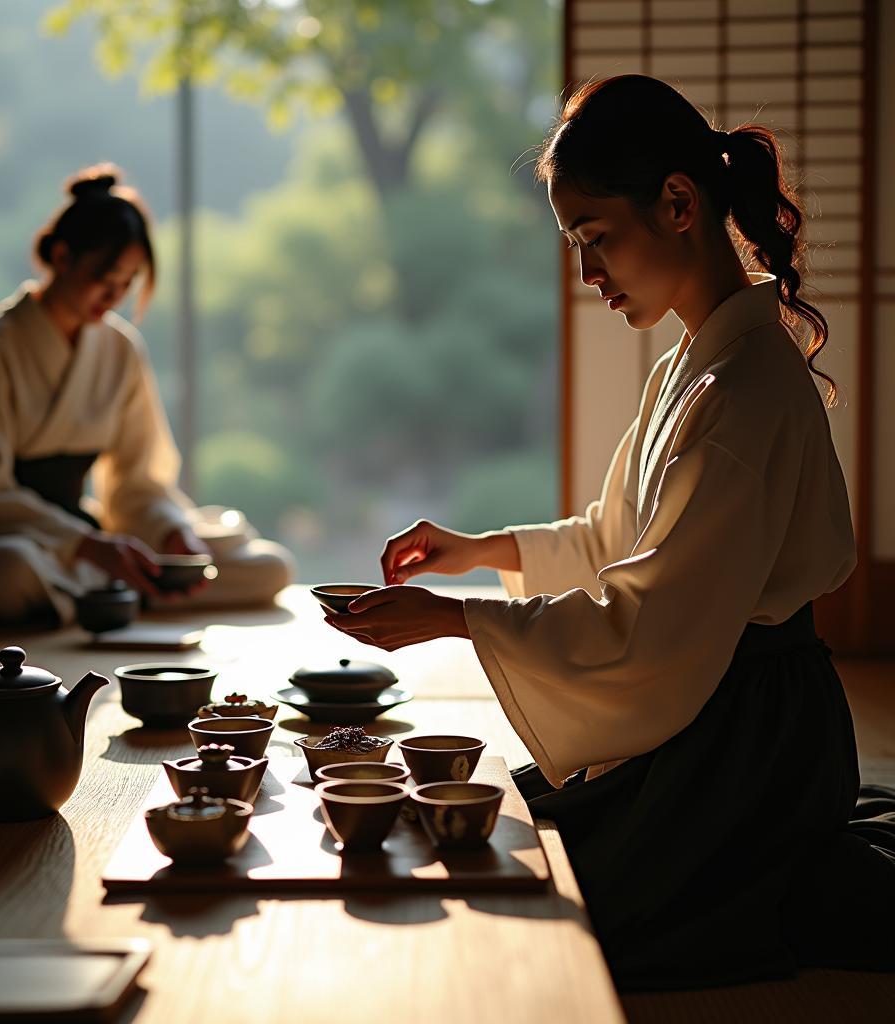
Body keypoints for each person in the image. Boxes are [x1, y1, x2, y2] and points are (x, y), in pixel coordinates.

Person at [324, 76, 895, 989]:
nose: (589, 275)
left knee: (556, 913)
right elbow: (619, 537)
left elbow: (654, 615)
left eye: (596, 240)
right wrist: (481, 554)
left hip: (746, 743)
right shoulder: (697, 361)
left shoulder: (744, 387)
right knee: (508, 831)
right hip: (709, 697)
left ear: (678, 204)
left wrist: (458, 620)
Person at [0, 164, 293, 624]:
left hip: (91, 548)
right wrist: (84, 544)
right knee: (7, 572)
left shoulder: (120, 348)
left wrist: (171, 533)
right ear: (61, 256)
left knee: (268, 566)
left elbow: (138, 481)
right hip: (8, 541)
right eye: (104, 278)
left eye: (126, 284)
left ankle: (118, 591)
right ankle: (122, 591)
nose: (113, 296)